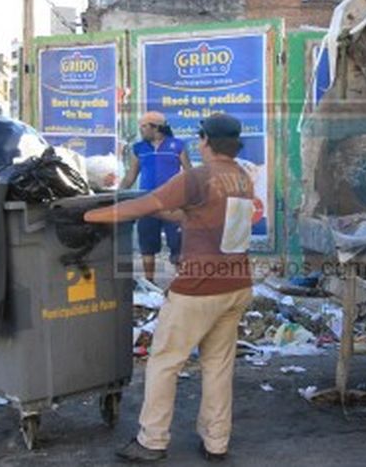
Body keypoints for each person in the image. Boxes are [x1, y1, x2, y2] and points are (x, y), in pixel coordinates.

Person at [86, 113, 255, 463]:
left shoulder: (198, 177)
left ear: (204, 141)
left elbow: (139, 206)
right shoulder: (241, 177)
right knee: (218, 366)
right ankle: (216, 442)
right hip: (236, 285)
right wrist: (164, 212)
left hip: (198, 289)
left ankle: (152, 440)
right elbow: (195, 215)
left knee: (164, 362)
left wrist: (86, 215)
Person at [120, 111, 192, 284]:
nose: (141, 130)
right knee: (147, 246)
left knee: (177, 245)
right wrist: (117, 195)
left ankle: (181, 284)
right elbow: (131, 176)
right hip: (147, 202)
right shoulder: (138, 148)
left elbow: (189, 174)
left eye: (144, 126)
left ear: (157, 127)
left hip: (173, 203)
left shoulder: (178, 145)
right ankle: (150, 283)